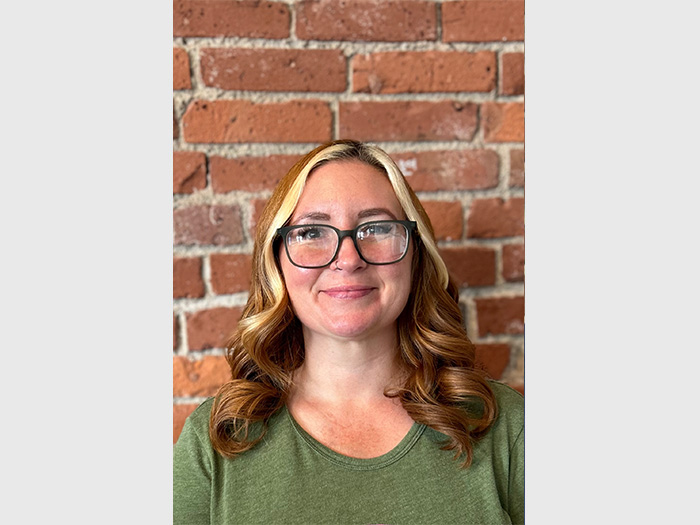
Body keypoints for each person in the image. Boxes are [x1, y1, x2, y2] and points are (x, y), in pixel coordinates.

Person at [173, 139, 524, 524]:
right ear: (276, 262)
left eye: (376, 228)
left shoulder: (507, 427)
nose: (348, 259)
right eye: (311, 233)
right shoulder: (216, 441)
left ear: (415, 255)